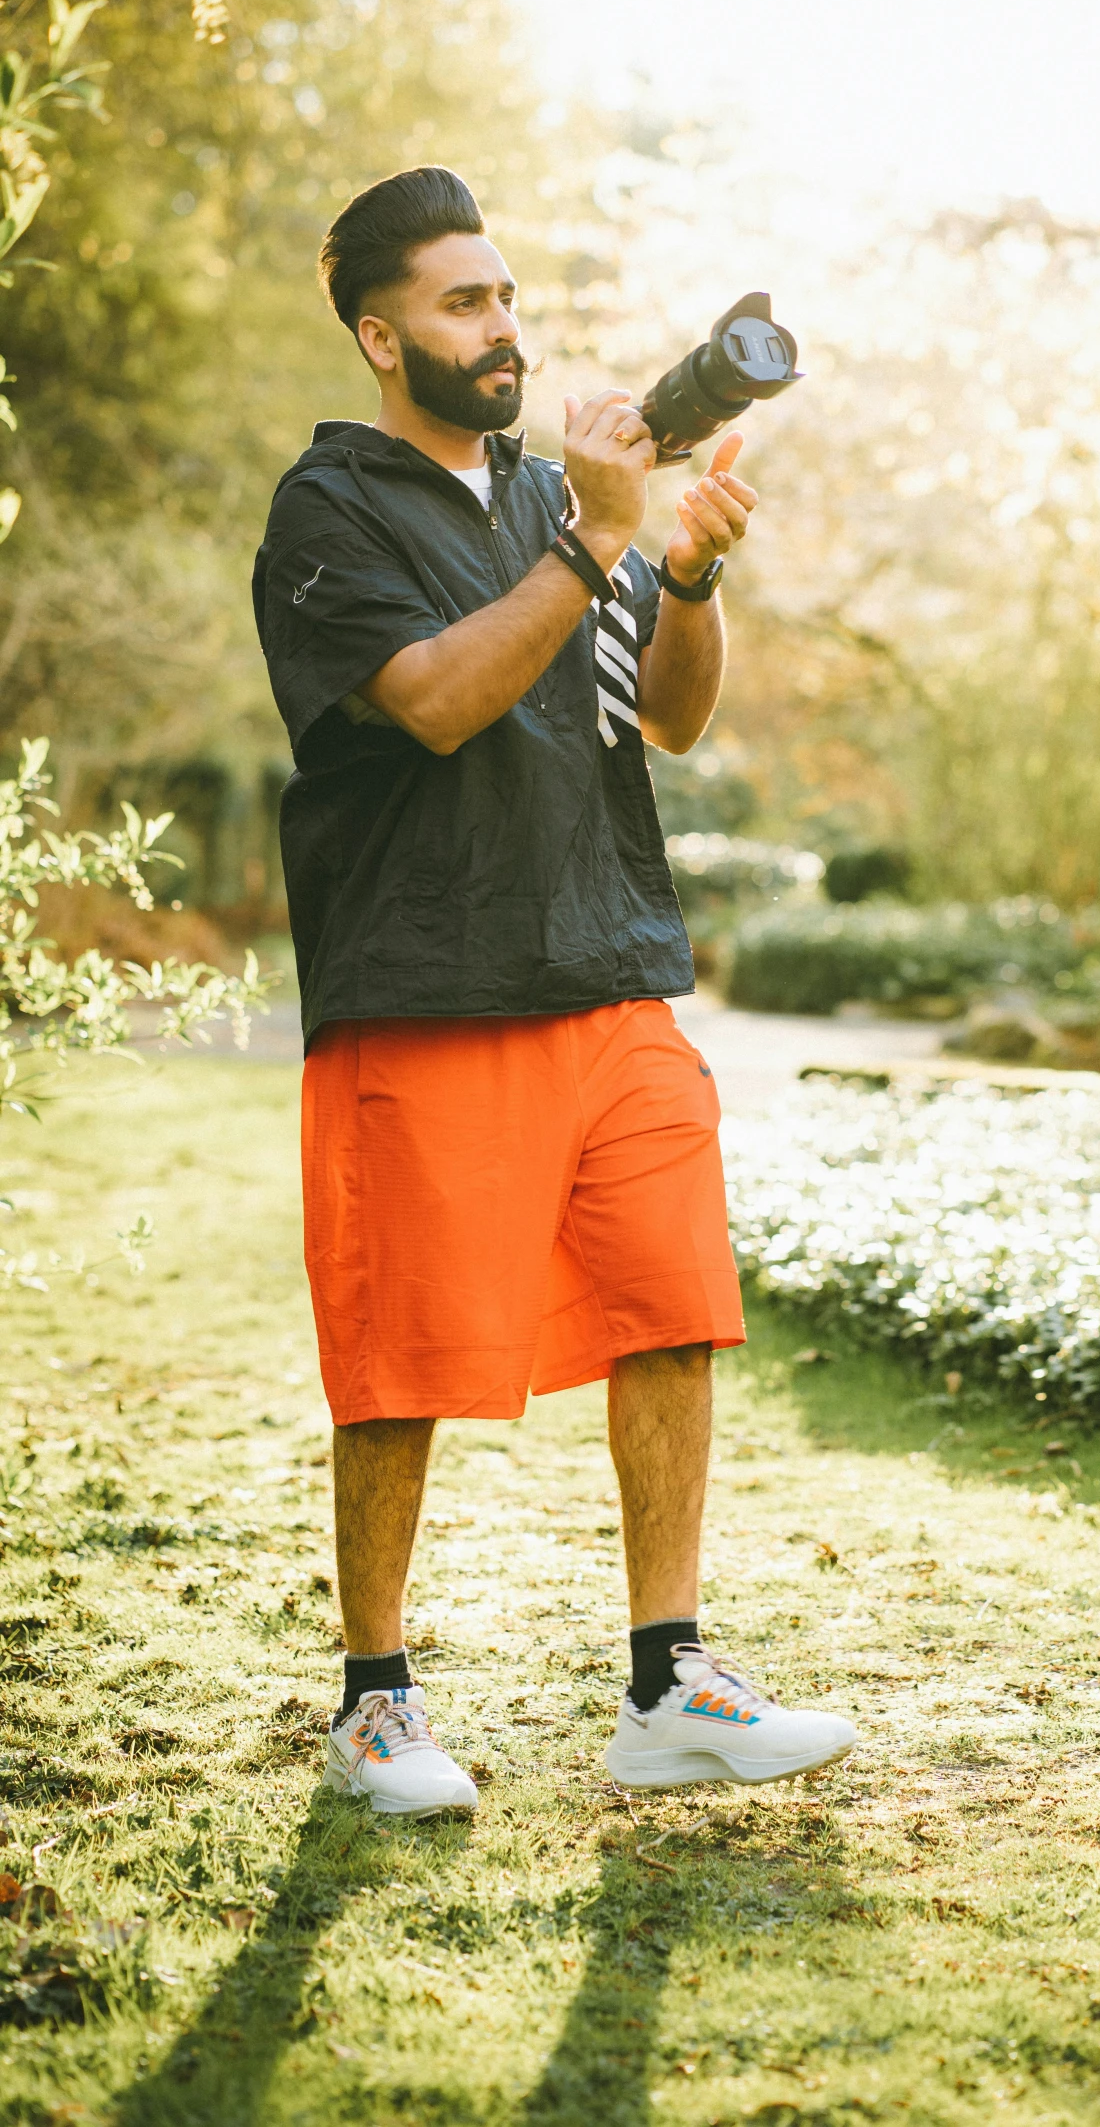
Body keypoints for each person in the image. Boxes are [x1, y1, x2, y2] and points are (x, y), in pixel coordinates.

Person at [251, 165, 855, 1816]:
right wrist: (597, 534)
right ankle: (375, 1700)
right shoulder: (329, 516)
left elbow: (664, 718)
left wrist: (687, 579)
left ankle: (670, 1682)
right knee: (403, 1356)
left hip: (609, 969)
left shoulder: (546, 497)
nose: (501, 325)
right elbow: (437, 699)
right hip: (427, 983)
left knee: (673, 1307)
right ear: (382, 336)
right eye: (462, 301)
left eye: (507, 293)